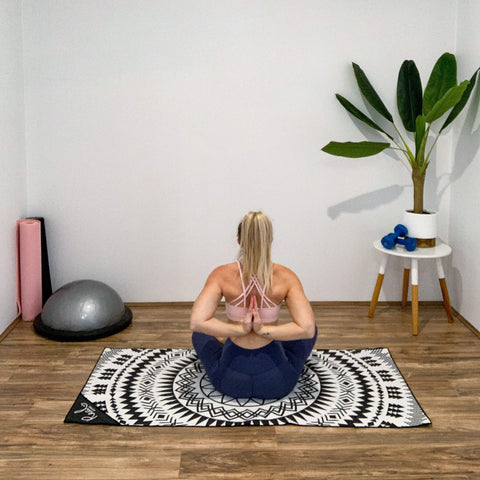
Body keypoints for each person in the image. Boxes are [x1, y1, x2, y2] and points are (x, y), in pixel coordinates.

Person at [190, 211, 317, 399]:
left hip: (230, 382)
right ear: (271, 239)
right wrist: (264, 330)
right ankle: (276, 342)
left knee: (200, 334)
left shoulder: (221, 274)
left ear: (239, 240)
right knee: (311, 328)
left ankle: (230, 342)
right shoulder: (286, 277)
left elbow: (197, 322)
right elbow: (306, 329)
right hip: (276, 383)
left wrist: (239, 330)